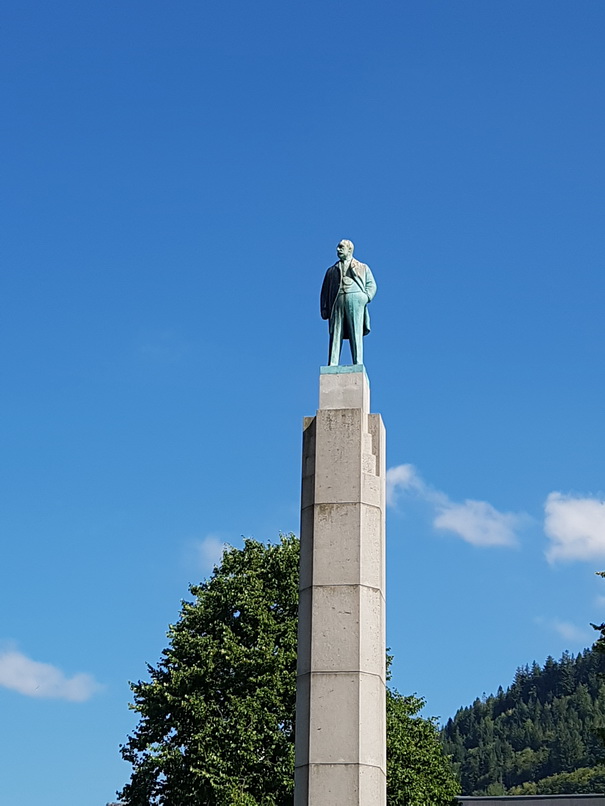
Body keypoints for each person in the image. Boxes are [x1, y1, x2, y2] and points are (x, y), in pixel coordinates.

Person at [320, 239, 377, 366]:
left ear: (350, 249)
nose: (338, 250)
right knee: (335, 332)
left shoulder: (362, 267)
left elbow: (371, 285)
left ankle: (358, 362)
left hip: (356, 299)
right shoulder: (332, 270)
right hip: (337, 300)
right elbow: (325, 290)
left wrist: (366, 297)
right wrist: (324, 308)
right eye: (338, 247)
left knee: (356, 331)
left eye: (341, 247)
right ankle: (333, 362)